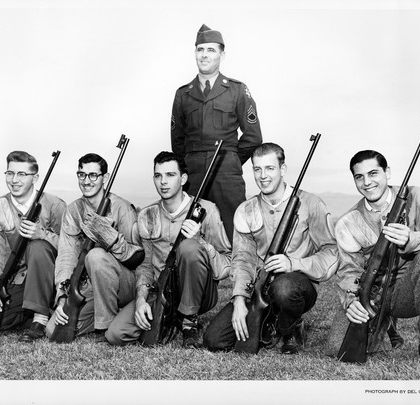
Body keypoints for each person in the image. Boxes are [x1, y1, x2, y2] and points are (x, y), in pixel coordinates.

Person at [203, 142, 338, 354]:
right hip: (258, 286)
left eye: (269, 168)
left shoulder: (311, 204)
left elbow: (331, 252)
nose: (263, 176)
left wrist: (293, 263)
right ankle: (270, 318)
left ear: (282, 170)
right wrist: (239, 300)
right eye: (257, 169)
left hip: (296, 286)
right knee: (214, 339)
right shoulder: (246, 210)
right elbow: (242, 260)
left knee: (284, 289)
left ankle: (290, 328)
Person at [325, 150, 420, 368]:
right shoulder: (348, 222)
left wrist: (411, 239)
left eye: (373, 173)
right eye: (359, 177)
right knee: (336, 348)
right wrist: (351, 300)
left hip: (409, 291)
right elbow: (349, 271)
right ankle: (386, 326)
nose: (367, 182)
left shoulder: (416, 197)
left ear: (387, 173)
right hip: (373, 293)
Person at [105, 151, 231, 348]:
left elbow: (227, 265)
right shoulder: (147, 215)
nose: (163, 182)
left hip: (200, 293)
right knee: (116, 334)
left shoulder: (208, 211)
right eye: (158, 175)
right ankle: (170, 318)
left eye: (170, 175)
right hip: (162, 291)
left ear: (183, 179)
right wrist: (141, 300)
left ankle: (188, 320)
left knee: (189, 247)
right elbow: (145, 265)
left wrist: (201, 242)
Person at [171, 24, 263, 243]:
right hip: (193, 174)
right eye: (200, 49)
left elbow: (253, 137)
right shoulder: (183, 94)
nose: (204, 55)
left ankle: (237, 277)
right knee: (191, 235)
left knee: (234, 232)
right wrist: (189, 165)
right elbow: (177, 141)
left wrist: (230, 159)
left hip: (226, 173)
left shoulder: (237, 90)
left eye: (211, 50)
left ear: (222, 54)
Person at [45, 153, 143, 342]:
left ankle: (106, 325)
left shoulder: (121, 208)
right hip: (91, 284)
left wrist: (113, 241)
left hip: (126, 283)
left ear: (105, 178)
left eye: (93, 175)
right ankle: (107, 315)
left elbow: (138, 257)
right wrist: (63, 296)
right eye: (82, 175)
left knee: (96, 256)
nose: (86, 181)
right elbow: (66, 256)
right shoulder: (73, 210)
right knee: (52, 330)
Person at [0, 151, 66, 342]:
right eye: (10, 173)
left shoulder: (55, 205)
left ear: (35, 178)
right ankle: (38, 309)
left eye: (22, 174)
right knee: (4, 322)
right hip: (21, 278)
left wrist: (42, 234)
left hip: (52, 278)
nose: (14, 180)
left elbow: (72, 248)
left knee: (37, 246)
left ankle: (40, 317)